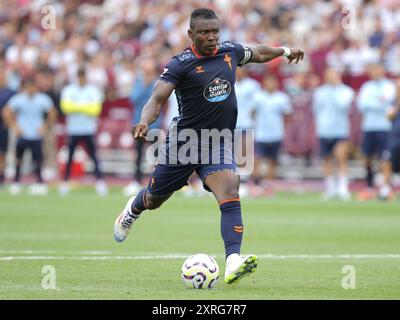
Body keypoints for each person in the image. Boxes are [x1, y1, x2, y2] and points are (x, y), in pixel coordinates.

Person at [113, 8, 304, 284]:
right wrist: (144, 121)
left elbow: (258, 53)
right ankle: (132, 210)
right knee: (154, 199)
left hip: (218, 141)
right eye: (205, 32)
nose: (212, 37)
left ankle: (233, 261)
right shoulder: (181, 64)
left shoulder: (229, 52)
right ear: (191, 34)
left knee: (229, 188)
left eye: (215, 31)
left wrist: (284, 51)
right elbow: (157, 99)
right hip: (184, 144)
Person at [2, 77, 57, 195]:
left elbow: (52, 112)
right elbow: (6, 112)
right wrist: (15, 127)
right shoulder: (19, 99)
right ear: (26, 88)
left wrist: (46, 127)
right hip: (23, 134)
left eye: (33, 87)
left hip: (36, 134)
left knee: (37, 159)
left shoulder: (42, 99)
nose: (31, 89)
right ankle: (16, 182)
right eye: (29, 87)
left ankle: (39, 182)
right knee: (18, 159)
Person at [59, 68, 108, 196]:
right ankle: (65, 182)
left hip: (88, 128)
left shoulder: (92, 90)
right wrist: (85, 107)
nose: (81, 79)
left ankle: (100, 182)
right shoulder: (69, 90)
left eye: (83, 77)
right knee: (69, 157)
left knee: (93, 156)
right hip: (73, 129)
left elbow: (95, 109)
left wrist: (76, 107)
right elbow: (65, 107)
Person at [312, 69, 355, 200]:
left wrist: (335, 89)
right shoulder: (319, 92)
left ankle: (343, 188)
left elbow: (343, 105)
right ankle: (330, 188)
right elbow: (316, 110)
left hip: (340, 129)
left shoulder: (346, 91)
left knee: (341, 157)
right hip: (324, 130)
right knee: (327, 159)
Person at [357, 64, 396, 200]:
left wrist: (373, 104)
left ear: (382, 71)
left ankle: (385, 189)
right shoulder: (366, 87)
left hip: (385, 127)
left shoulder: (389, 86)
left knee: (385, 158)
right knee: (367, 158)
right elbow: (362, 105)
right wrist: (379, 104)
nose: (375, 73)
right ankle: (369, 186)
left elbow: (390, 103)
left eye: (377, 70)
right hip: (369, 126)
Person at [123, 60, 162, 197]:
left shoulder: (158, 83)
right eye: (146, 72)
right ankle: (136, 181)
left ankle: (157, 182)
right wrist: (144, 86)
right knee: (138, 154)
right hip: (139, 124)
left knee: (157, 156)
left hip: (154, 124)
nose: (148, 75)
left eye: (150, 72)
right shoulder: (138, 83)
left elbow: (159, 101)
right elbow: (133, 99)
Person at [252, 74, 292, 190]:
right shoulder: (257, 97)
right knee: (257, 159)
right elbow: (253, 113)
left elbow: (286, 115)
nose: (270, 84)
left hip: (275, 134)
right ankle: (256, 185)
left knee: (272, 161)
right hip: (261, 134)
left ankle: (268, 185)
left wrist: (282, 129)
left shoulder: (282, 98)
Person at [379, 77, 400, 200]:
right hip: (394, 138)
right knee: (386, 161)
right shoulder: (393, 102)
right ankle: (385, 189)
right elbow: (388, 116)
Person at [0, 65, 15, 188]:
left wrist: (9, 122)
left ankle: (2, 175)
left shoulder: (10, 92)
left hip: (3, 126)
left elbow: (14, 109)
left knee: (2, 152)